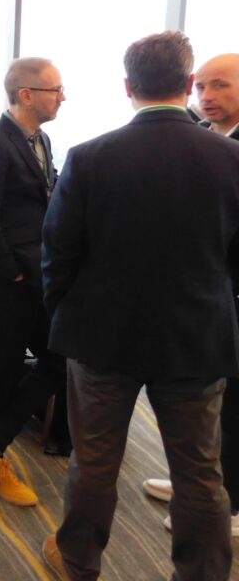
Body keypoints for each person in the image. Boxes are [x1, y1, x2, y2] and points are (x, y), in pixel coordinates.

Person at [40, 32, 239, 581]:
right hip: (197, 340)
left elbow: (57, 251)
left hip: (101, 337)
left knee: (95, 465)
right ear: (186, 82)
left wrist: (66, 313)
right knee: (200, 474)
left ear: (128, 86)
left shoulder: (89, 157)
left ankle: (78, 564)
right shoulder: (232, 159)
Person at [140, 52, 239, 536]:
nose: (206, 97)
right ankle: (200, 487)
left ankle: (231, 506)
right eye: (201, 88)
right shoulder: (210, 142)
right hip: (204, 306)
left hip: (224, 305)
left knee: (234, 410)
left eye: (220, 86)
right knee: (212, 414)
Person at [0, 57, 67, 507]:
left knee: (58, 362)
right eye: (55, 90)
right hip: (10, 279)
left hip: (39, 277)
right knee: (4, 368)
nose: (63, 97)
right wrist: (14, 272)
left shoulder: (41, 139)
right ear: (27, 94)